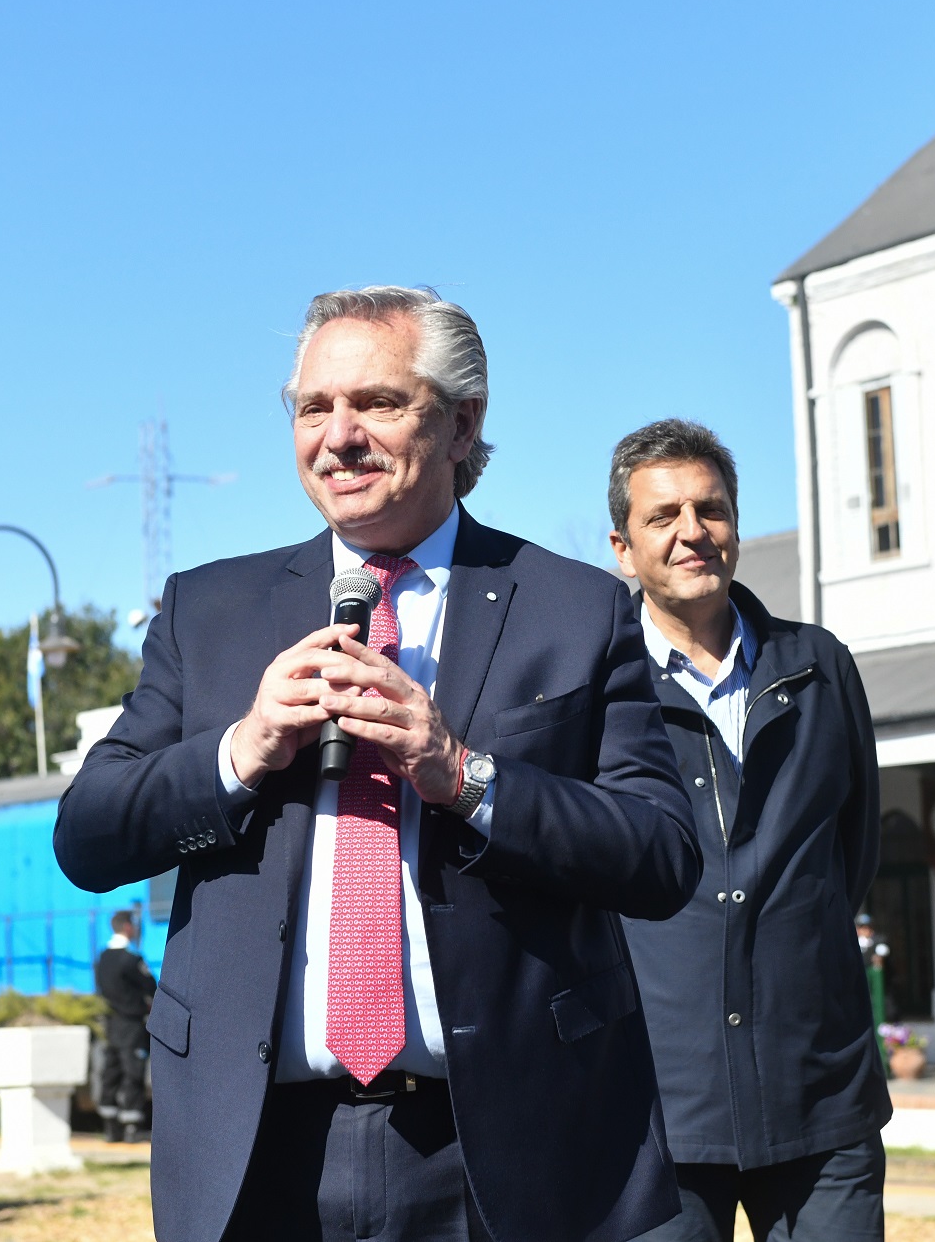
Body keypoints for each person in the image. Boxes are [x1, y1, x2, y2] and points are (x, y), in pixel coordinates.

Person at [56, 286, 699, 1242]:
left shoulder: (576, 609)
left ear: (462, 421)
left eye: (378, 403)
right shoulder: (209, 611)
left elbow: (659, 854)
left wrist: (464, 775)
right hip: (257, 1152)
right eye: (314, 408)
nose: (340, 435)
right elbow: (89, 833)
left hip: (500, 1154)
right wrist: (243, 748)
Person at [607, 419, 889, 1242]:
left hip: (821, 1094)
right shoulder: (596, 687)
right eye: (664, 516)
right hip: (655, 1107)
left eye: (712, 509)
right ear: (624, 548)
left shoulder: (820, 665)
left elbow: (853, 851)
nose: (693, 531)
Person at [93, 908, 156, 1141]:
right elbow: (151, 987)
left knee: (111, 1071)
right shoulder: (131, 959)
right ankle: (132, 1128)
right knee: (133, 1072)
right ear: (128, 927)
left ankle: (111, 1128)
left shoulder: (103, 958)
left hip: (112, 1024)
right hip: (132, 1024)